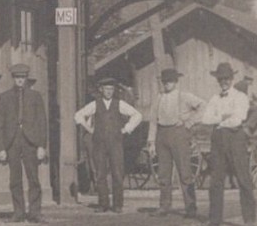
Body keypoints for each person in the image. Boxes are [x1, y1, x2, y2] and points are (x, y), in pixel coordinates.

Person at [73, 77, 142, 212]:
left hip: (115, 142)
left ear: (114, 90)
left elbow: (137, 115)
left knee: (117, 173)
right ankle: (103, 204)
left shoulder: (119, 104)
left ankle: (117, 204)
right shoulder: (95, 104)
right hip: (99, 143)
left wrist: (126, 129)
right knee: (100, 173)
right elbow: (78, 115)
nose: (109, 92)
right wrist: (89, 128)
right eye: (106, 89)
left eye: (111, 89)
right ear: (101, 90)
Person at [202, 61, 256, 226]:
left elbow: (237, 119)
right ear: (217, 80)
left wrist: (220, 119)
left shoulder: (240, 97)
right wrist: (222, 117)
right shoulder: (214, 98)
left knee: (243, 178)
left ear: (232, 79)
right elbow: (205, 119)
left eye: (226, 78)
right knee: (216, 180)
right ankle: (215, 219)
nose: (223, 81)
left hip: (235, 139)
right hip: (217, 140)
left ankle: (249, 219)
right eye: (220, 79)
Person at [0, 63, 48, 222]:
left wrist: (41, 146)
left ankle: (35, 212)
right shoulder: (4, 97)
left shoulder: (35, 96)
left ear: (26, 78)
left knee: (33, 178)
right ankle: (18, 212)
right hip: (12, 142)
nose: (20, 81)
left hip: (30, 141)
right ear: (13, 79)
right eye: (17, 78)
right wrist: (1, 148)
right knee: (15, 179)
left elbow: (42, 122)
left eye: (23, 78)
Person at [148, 67, 205, 217]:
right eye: (165, 81)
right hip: (162, 135)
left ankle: (191, 207)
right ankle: (164, 206)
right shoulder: (158, 98)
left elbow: (203, 106)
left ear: (175, 81)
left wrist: (190, 122)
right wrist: (151, 141)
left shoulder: (184, 96)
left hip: (179, 134)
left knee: (185, 172)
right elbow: (153, 121)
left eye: (170, 81)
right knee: (163, 173)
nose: (167, 83)